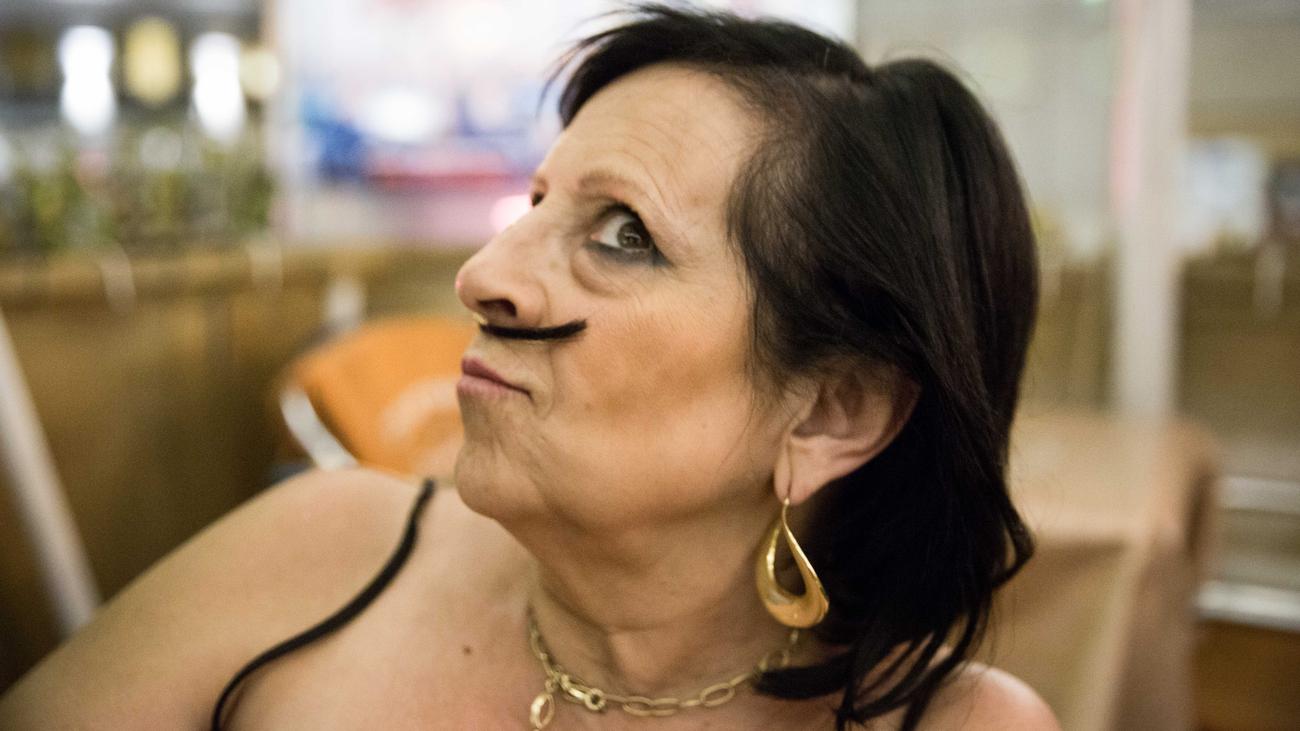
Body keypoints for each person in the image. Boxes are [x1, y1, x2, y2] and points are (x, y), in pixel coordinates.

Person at [0, 6, 1059, 729]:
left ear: (831, 410)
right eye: (538, 202)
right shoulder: (319, 554)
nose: (484, 275)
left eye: (626, 234)